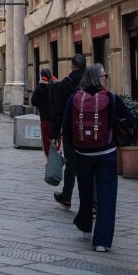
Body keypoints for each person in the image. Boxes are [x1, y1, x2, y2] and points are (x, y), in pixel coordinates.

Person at [60, 63, 136, 253]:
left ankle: (86, 227)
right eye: (104, 76)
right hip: (106, 154)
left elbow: (66, 127)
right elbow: (132, 120)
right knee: (107, 196)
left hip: (82, 155)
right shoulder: (111, 98)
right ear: (98, 78)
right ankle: (101, 241)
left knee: (85, 193)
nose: (106, 78)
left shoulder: (74, 98)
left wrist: (76, 146)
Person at [48, 55, 86, 208]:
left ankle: (66, 196)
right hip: (91, 131)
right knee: (90, 165)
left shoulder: (64, 85)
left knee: (71, 164)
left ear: (72, 66)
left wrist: (54, 134)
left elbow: (57, 112)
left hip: (70, 131)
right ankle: (93, 202)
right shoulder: (91, 83)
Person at [33, 68, 56, 155]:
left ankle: (49, 158)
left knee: (46, 139)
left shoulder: (40, 87)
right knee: (57, 138)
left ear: (42, 76)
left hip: (45, 118)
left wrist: (41, 105)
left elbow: (34, 101)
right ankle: (57, 156)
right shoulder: (57, 85)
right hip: (56, 118)